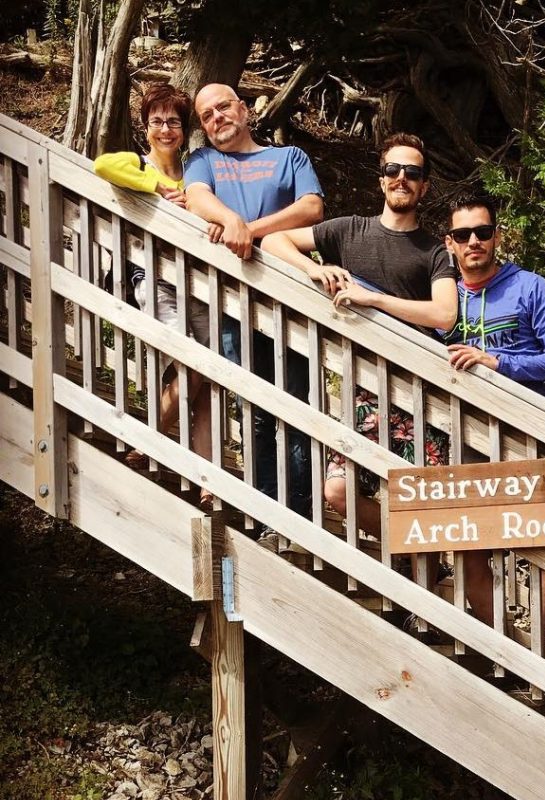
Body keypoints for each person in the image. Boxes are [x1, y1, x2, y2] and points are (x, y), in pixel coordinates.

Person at [261, 132, 457, 543]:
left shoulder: (433, 251)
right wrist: (311, 268)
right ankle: (406, 556)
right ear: (381, 179)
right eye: (393, 169)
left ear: (424, 185)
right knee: (338, 489)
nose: (401, 178)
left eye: (412, 172)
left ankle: (421, 574)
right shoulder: (348, 231)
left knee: (420, 503)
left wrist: (376, 300)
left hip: (420, 394)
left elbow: (444, 314)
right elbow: (274, 240)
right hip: (362, 390)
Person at [184, 83, 324, 547]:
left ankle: (301, 517)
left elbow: (311, 208)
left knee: (300, 409)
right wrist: (231, 220)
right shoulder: (203, 161)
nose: (217, 117)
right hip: (233, 308)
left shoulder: (290, 158)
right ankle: (269, 512)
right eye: (206, 115)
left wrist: (249, 231)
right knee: (256, 411)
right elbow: (197, 197)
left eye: (223, 106)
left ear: (244, 109)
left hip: (292, 305)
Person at [441, 193, 545, 647]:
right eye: (463, 235)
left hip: (531, 429)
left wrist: (497, 362)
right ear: (450, 244)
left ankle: (540, 646)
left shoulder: (529, 287)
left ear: (497, 236)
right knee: (468, 537)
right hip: (466, 431)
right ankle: (504, 643)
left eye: (483, 232)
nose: (474, 242)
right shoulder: (444, 297)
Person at [93, 83, 213, 508]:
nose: (165, 129)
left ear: (184, 130)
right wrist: (157, 189)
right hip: (155, 279)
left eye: (174, 122)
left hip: (200, 285)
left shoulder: (197, 174)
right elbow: (103, 166)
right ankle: (146, 439)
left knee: (206, 381)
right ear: (145, 127)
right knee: (193, 365)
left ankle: (208, 479)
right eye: (157, 121)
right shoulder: (138, 163)